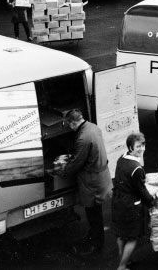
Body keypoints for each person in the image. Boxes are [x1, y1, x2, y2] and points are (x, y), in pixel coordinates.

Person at [54, 108, 112, 256]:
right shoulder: (92, 127)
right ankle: (93, 238)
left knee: (93, 215)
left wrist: (62, 171)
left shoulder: (83, 137)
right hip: (100, 177)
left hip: (92, 183)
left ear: (73, 123)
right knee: (95, 214)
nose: (70, 128)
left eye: (69, 125)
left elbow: (77, 162)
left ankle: (95, 246)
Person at [111, 132, 155, 270]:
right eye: (138, 147)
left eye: (143, 145)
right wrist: (152, 202)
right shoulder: (136, 168)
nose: (141, 149)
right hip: (130, 205)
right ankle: (122, 266)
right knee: (132, 238)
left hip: (118, 201)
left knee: (121, 234)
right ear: (130, 147)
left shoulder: (121, 158)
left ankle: (123, 260)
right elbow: (141, 191)